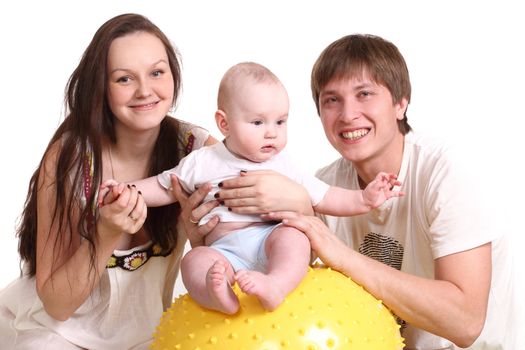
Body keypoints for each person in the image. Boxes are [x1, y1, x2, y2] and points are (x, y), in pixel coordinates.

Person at [238, 34, 521, 349]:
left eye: (364, 94)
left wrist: (341, 255)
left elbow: (465, 321)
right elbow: (275, 292)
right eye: (332, 99)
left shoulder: (447, 172)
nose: (348, 114)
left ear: (401, 104)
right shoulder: (325, 186)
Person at [100, 62, 403, 315]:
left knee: (294, 237)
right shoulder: (203, 161)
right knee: (194, 262)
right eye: (258, 122)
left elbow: (325, 196)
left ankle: (277, 284)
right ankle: (219, 295)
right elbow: (164, 186)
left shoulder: (284, 164)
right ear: (224, 123)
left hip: (269, 238)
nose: (272, 133)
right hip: (224, 250)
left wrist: (365, 198)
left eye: (281, 122)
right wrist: (126, 191)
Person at [0, 13, 227, 350]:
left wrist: (200, 238)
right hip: (58, 333)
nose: (145, 90)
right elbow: (58, 306)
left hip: (151, 333)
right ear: (100, 87)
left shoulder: (198, 151)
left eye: (156, 72)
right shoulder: (71, 160)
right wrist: (105, 232)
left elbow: (234, 255)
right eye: (124, 79)